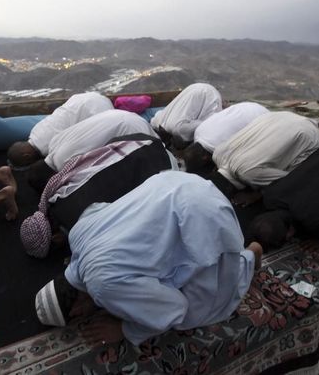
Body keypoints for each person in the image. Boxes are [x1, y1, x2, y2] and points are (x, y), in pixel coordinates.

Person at [34, 172, 263, 346]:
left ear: (75, 311)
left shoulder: (101, 287)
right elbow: (101, 209)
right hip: (177, 182)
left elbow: (174, 308)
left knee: (194, 314)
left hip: (203, 216)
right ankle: (245, 257)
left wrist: (125, 329)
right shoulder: (77, 234)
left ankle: (247, 260)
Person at [20, 134, 177, 258]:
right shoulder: (54, 195)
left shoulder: (79, 221)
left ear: (55, 239)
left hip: (163, 165)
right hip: (138, 140)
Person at [27, 109, 158, 191]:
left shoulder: (68, 166)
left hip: (131, 128)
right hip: (117, 114)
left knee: (159, 159)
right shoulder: (53, 144)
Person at [209, 111, 319, 197]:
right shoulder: (218, 153)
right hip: (282, 115)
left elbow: (291, 180)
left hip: (311, 136)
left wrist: (257, 194)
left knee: (302, 180)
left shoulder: (249, 175)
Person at [7, 92, 113, 168]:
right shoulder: (35, 131)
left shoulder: (49, 149)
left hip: (97, 110)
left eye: (27, 164)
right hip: (86, 97)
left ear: (27, 156)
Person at [184, 102, 270, 176]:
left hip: (264, 119)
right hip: (246, 107)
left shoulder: (221, 150)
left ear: (205, 158)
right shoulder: (198, 132)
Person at [150, 83, 222, 148]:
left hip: (202, 91)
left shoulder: (162, 122)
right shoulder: (160, 122)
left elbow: (180, 129)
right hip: (202, 90)